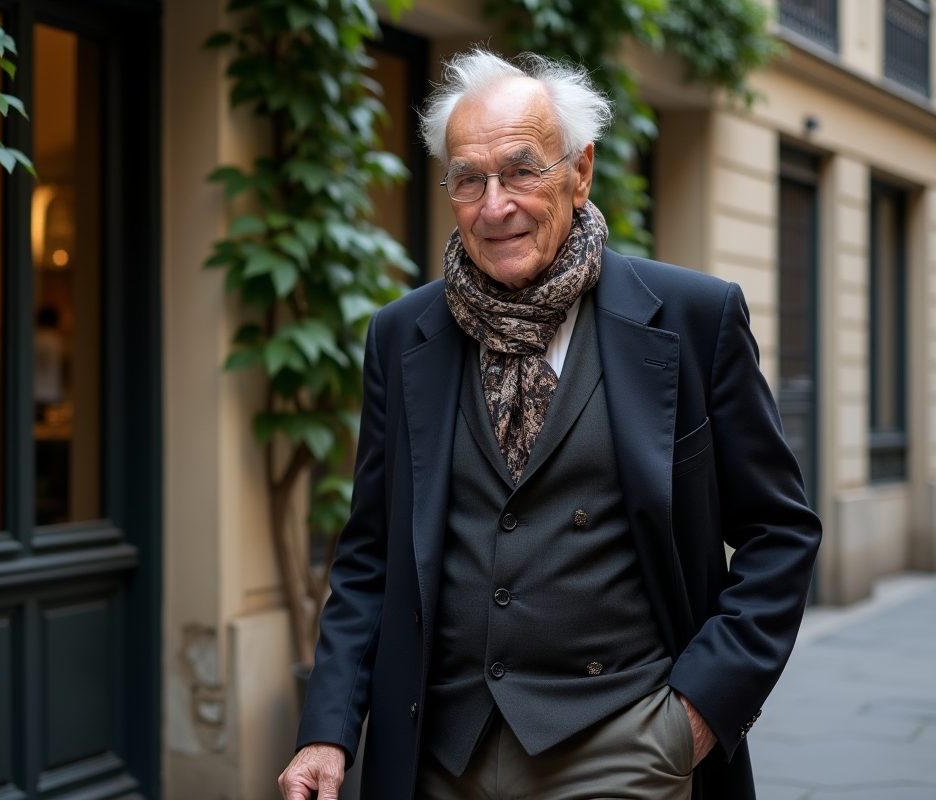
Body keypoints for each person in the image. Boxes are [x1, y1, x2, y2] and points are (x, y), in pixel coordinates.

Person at [279, 49, 821, 800]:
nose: (493, 204)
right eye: (468, 178)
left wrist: (695, 715)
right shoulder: (402, 336)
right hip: (441, 754)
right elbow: (371, 554)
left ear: (581, 171)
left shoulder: (695, 319)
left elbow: (780, 532)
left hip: (624, 745)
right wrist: (327, 729)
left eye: (521, 170)